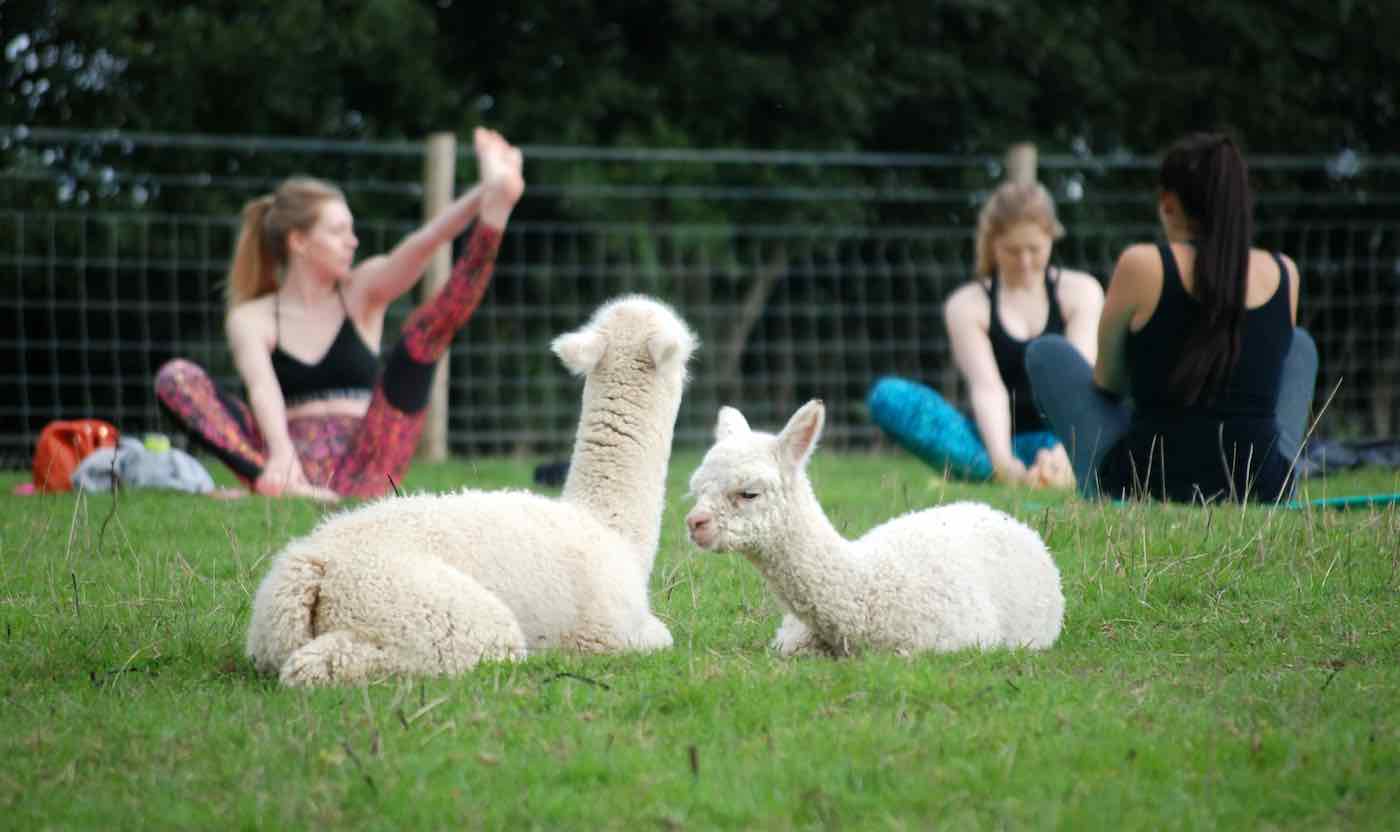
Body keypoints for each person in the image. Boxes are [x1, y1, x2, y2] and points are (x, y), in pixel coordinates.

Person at [154, 127, 525, 500]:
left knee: (425, 336)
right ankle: (285, 486)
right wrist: (281, 454)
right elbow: (262, 388)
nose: (353, 241)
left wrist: (488, 191)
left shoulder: (361, 292)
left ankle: (496, 216)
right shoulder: (252, 318)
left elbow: (424, 242)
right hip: (286, 460)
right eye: (338, 232)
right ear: (298, 242)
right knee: (177, 377)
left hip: (369, 459)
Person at [1025, 132, 1319, 503]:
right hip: (1263, 485)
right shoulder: (1284, 272)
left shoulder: (1143, 265)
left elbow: (1109, 382)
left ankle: (1101, 488)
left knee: (1047, 352)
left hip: (1146, 483)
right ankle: (1279, 481)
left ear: (1167, 203)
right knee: (1302, 346)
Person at [867, 181, 1104, 488]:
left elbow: (1078, 385)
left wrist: (1063, 452)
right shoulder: (966, 305)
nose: (1025, 262)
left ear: (1051, 238)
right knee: (888, 396)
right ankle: (997, 472)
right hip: (994, 441)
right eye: (1012, 251)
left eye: (1035, 249)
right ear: (993, 243)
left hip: (1070, 437)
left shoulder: (1081, 292)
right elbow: (987, 388)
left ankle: (1065, 469)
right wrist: (1004, 462)